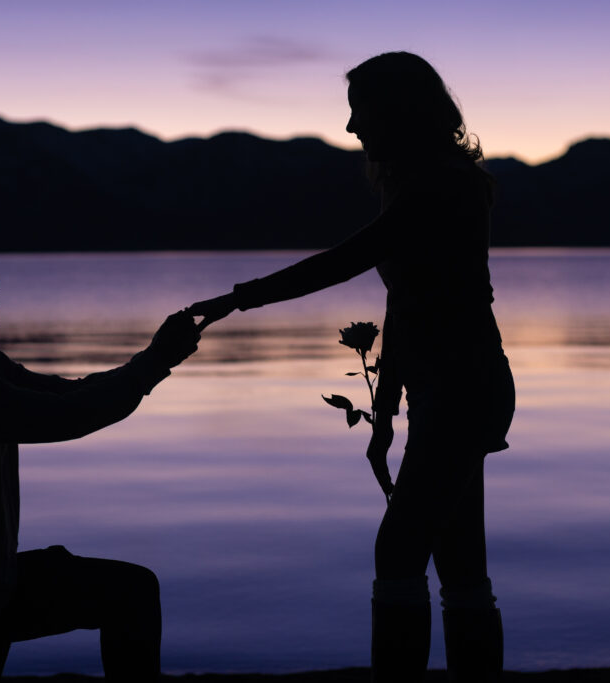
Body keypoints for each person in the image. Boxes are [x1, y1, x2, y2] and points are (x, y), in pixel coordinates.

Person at [188, 52, 515, 682]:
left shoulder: (445, 183)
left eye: (359, 110)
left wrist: (238, 298)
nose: (350, 126)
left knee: (400, 551)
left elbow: (348, 259)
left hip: (465, 387)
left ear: (398, 110)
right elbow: (406, 303)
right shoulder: (414, 181)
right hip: (448, 389)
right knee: (458, 561)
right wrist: (387, 410)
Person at [0, 227, 200, 682]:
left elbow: (73, 392)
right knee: (129, 593)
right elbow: (69, 416)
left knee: (131, 591)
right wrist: (154, 362)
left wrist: (154, 358)